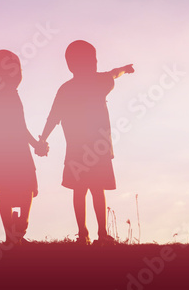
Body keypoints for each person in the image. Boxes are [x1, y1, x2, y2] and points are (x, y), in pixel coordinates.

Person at [38, 40, 134, 245]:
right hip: (98, 148)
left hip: (76, 149)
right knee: (97, 189)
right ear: (90, 62)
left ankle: (83, 235)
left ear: (70, 65)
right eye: (94, 59)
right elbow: (114, 73)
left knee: (79, 191)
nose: (96, 62)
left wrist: (43, 139)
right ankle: (101, 234)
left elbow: (53, 117)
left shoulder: (66, 89)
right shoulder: (99, 82)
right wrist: (125, 70)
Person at [0, 49, 48, 245]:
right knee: (25, 189)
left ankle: (13, 235)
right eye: (16, 71)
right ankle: (19, 230)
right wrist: (36, 144)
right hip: (12, 153)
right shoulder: (8, 95)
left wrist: (35, 144)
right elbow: (19, 126)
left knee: (8, 192)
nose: (19, 75)